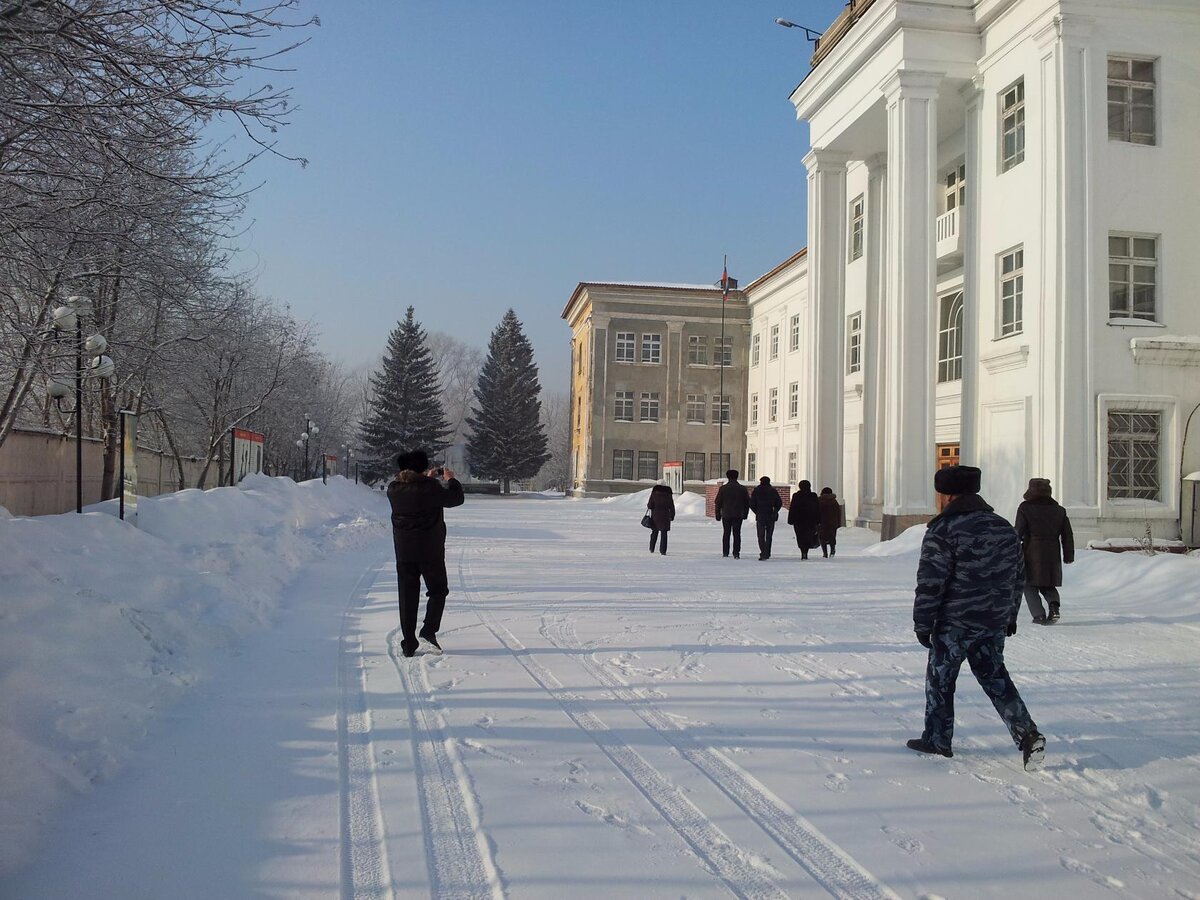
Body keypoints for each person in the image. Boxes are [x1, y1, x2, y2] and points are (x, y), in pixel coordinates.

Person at [908, 464, 1046, 771]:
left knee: (941, 680)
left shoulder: (943, 530)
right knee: (997, 679)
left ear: (947, 496)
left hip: (954, 623)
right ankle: (1028, 735)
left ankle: (938, 738)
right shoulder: (1003, 527)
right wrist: (1009, 615)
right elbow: (1017, 576)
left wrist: (922, 622)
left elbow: (931, 581)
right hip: (993, 621)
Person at [386, 449, 465, 658]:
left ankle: (408, 643)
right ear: (422, 468)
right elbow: (455, 498)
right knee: (438, 591)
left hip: (404, 553)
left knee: (407, 596)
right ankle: (428, 631)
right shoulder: (431, 488)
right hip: (430, 552)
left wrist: (426, 479)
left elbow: (415, 491)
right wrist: (451, 480)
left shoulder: (394, 489)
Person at [1015, 478, 1074, 624]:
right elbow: (1067, 535)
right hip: (1052, 551)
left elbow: (1018, 531)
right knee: (1048, 583)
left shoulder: (1025, 508)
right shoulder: (1059, 510)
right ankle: (1054, 606)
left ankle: (1038, 615)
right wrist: (1068, 555)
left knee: (1028, 584)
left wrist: (1012, 550)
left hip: (1031, 551)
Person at [714, 469, 750, 559]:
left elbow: (718, 502)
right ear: (737, 476)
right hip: (738, 514)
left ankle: (725, 552)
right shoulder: (742, 488)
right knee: (737, 533)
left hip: (726, 514)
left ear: (727, 477)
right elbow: (747, 502)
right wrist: (745, 514)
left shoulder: (723, 488)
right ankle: (736, 552)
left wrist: (717, 514)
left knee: (726, 533)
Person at [749, 476, 783, 560]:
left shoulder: (756, 490)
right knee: (769, 535)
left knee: (760, 535)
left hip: (760, 515)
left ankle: (763, 551)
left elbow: (752, 503)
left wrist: (756, 512)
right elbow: (779, 503)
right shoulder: (772, 491)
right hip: (770, 515)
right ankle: (767, 552)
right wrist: (775, 511)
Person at [787, 480, 820, 560]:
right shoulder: (813, 496)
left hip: (799, 520)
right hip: (810, 521)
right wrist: (818, 520)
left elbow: (793, 508)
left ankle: (803, 551)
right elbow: (817, 508)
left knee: (800, 536)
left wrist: (790, 519)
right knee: (808, 536)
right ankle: (806, 551)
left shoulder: (796, 496)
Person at [647, 481, 675, 555]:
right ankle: (663, 551)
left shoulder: (654, 493)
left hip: (655, 515)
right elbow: (671, 505)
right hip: (665, 515)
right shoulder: (668, 493)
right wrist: (672, 515)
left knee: (654, 532)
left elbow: (649, 505)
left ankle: (651, 548)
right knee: (664, 534)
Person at [817, 487, 841, 558]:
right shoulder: (834, 501)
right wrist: (838, 523)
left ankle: (825, 553)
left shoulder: (819, 501)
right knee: (832, 536)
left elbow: (817, 512)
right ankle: (832, 550)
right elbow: (838, 513)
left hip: (822, 522)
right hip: (832, 522)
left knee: (822, 537)